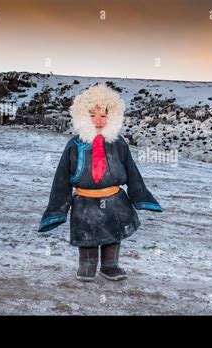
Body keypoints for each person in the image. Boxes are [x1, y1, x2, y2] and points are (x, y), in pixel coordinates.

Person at [38, 83, 163, 282]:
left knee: (114, 235)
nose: (99, 120)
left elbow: (132, 171)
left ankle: (110, 266)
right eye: (92, 115)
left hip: (114, 200)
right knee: (87, 237)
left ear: (113, 117)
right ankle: (87, 266)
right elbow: (61, 180)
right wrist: (56, 210)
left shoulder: (118, 143)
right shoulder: (74, 145)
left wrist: (141, 197)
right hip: (84, 202)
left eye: (104, 115)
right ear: (81, 116)